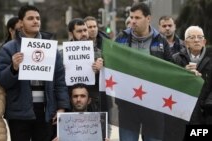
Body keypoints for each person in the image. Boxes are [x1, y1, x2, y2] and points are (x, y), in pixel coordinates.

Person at [0, 5, 70, 141]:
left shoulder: (51, 48)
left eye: (37, 18)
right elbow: (2, 80)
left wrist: (61, 108)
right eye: (30, 18)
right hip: (19, 113)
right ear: (20, 22)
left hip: (46, 111)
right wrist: (13, 67)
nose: (35, 21)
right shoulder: (8, 48)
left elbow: (60, 81)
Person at [115, 2, 172, 141]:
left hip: (154, 104)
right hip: (127, 103)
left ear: (148, 18)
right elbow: (110, 61)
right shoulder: (121, 38)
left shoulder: (161, 41)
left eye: (137, 18)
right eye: (132, 17)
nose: (133, 21)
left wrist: (188, 71)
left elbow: (171, 68)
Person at [172, 26, 212, 125]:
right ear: (186, 43)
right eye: (192, 37)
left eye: (200, 37)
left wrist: (208, 104)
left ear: (204, 42)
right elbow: (171, 81)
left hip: (207, 111)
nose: (196, 40)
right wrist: (183, 72)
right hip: (182, 110)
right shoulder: (176, 59)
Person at [67, 18, 104, 112]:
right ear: (72, 33)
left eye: (85, 30)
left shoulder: (99, 54)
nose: (83, 34)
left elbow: (108, 81)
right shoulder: (63, 54)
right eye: (79, 31)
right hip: (70, 102)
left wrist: (101, 70)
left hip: (93, 102)